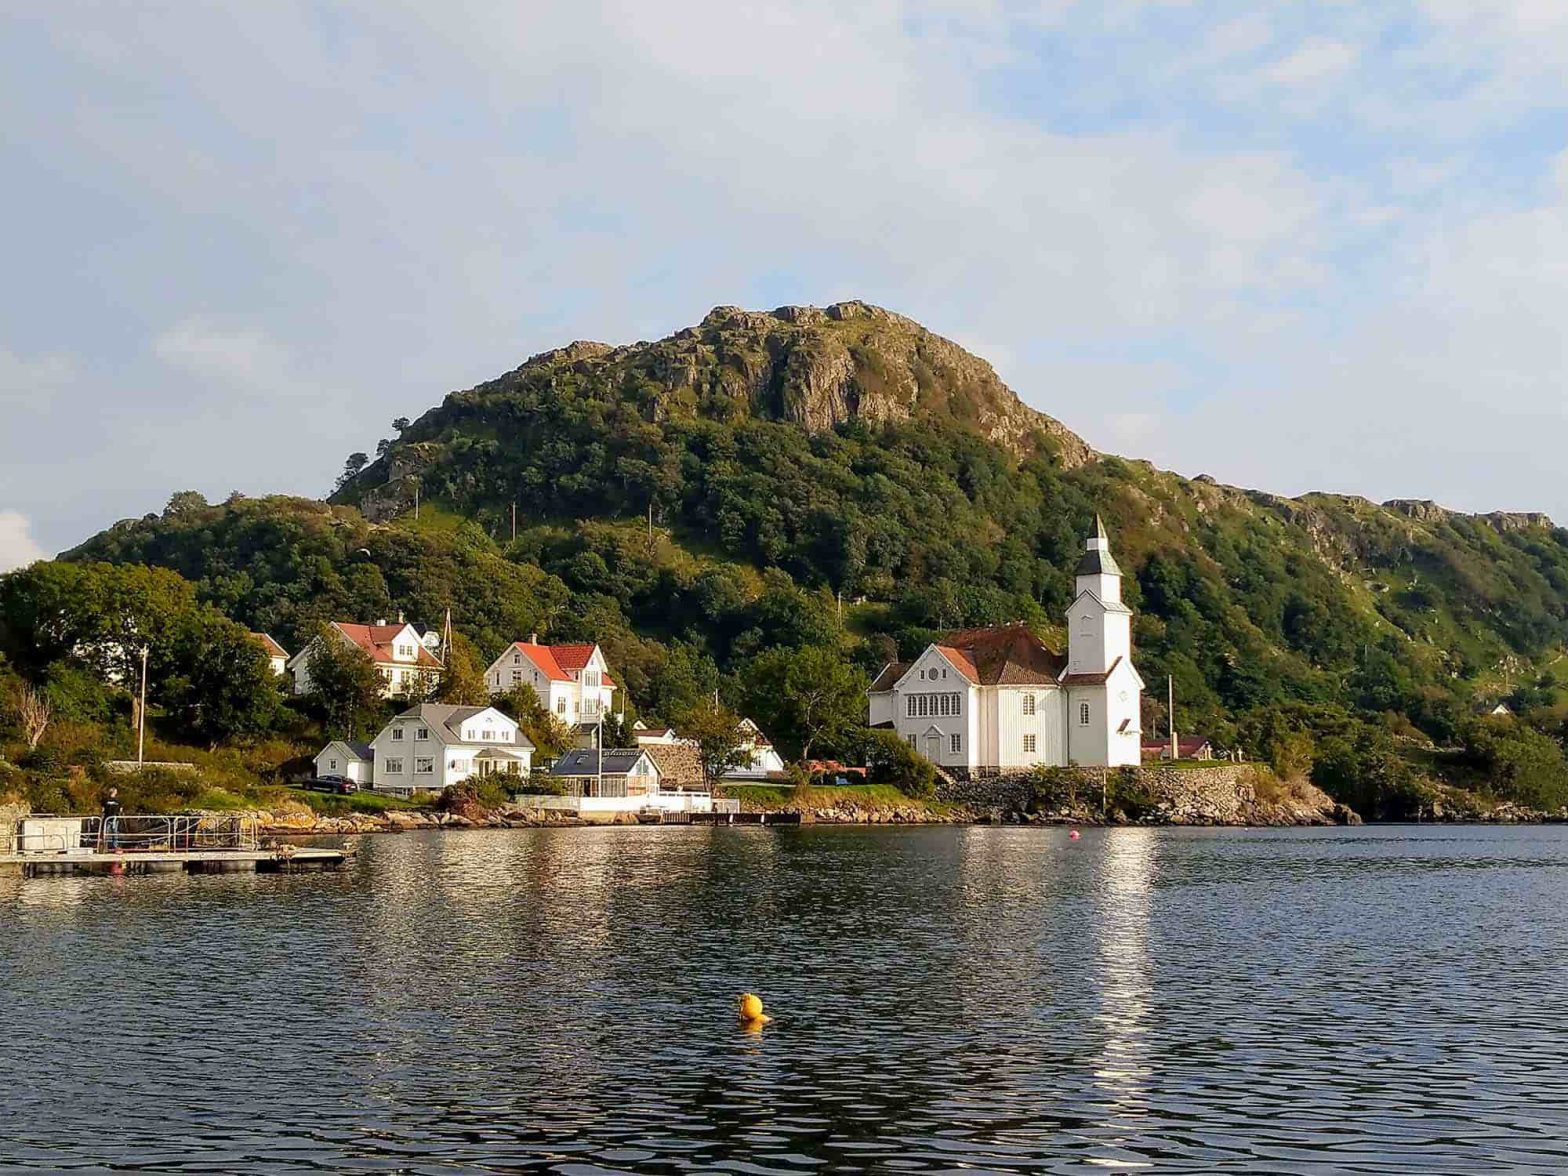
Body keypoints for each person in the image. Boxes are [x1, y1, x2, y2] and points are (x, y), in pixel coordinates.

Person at [101, 786, 123, 852]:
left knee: (114, 833)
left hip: (114, 819)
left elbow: (121, 809)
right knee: (107, 833)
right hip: (107, 818)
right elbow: (103, 809)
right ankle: (105, 846)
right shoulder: (105, 800)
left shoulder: (118, 801)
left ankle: (114, 846)